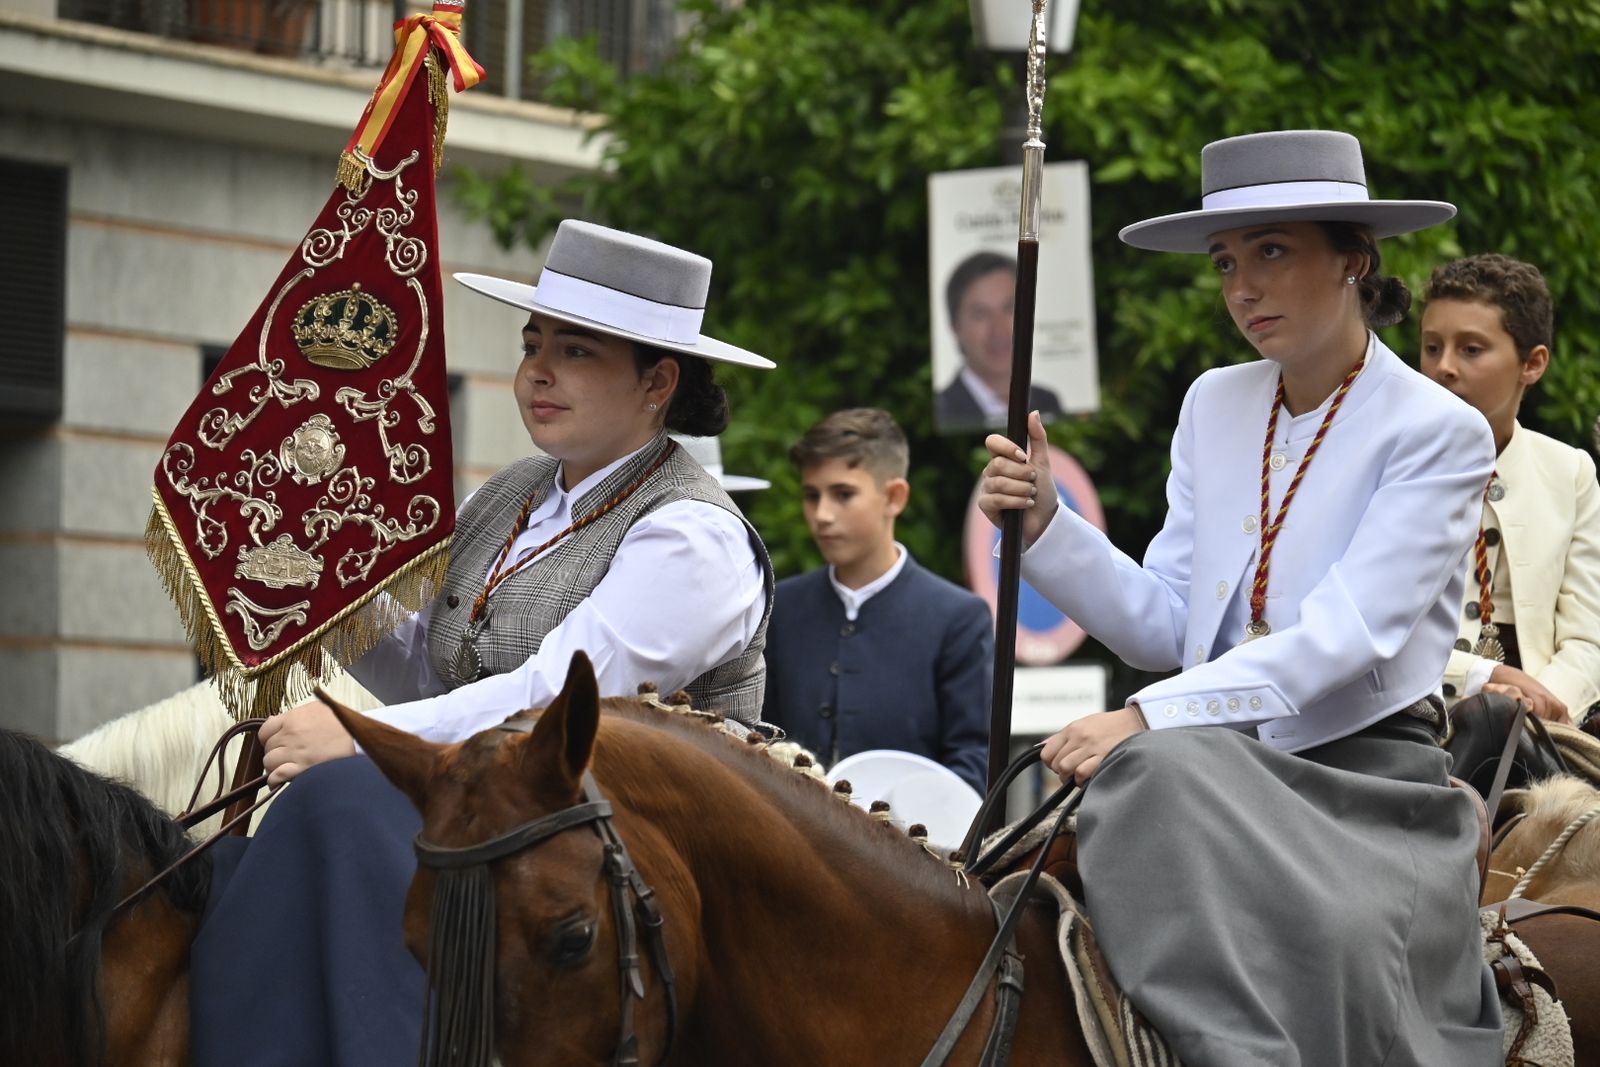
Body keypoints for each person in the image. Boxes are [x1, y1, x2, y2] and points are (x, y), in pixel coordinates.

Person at [188, 220, 777, 1066]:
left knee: (342, 801)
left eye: (576, 352)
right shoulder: (514, 493)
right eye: (534, 343)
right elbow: (435, 658)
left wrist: (360, 739)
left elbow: (554, 697)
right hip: (516, 828)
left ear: (659, 381)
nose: (537, 369)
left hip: (654, 863)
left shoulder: (694, 536)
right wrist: (318, 588)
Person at [979, 130, 1502, 1066]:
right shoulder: (1214, 403)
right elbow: (1169, 623)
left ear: (1354, 258)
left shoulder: (1440, 428)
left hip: (1364, 780)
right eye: (1226, 262)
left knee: (1147, 774)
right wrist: (1047, 528)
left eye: (1270, 251)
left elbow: (1350, 634)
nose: (1241, 288)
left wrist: (1146, 718)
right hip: (1205, 764)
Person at [762, 408, 991, 791]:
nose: (821, 514)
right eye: (810, 495)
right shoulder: (780, 607)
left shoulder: (957, 618)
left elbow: (972, 767)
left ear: (894, 497)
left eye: (843, 494)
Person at [1419, 253, 1600, 725]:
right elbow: (1370, 633)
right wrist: (1480, 678)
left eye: (1471, 349)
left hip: (1541, 726)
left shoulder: (1571, 471)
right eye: (1432, 347)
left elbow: (1588, 638)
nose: (1444, 367)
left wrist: (1540, 702)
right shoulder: (1383, 464)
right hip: (1414, 716)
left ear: (1533, 364)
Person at [935, 250, 1064, 431]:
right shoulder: (944, 408)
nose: (999, 330)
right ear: (956, 328)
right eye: (980, 314)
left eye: (1010, 308)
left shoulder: (1048, 402)